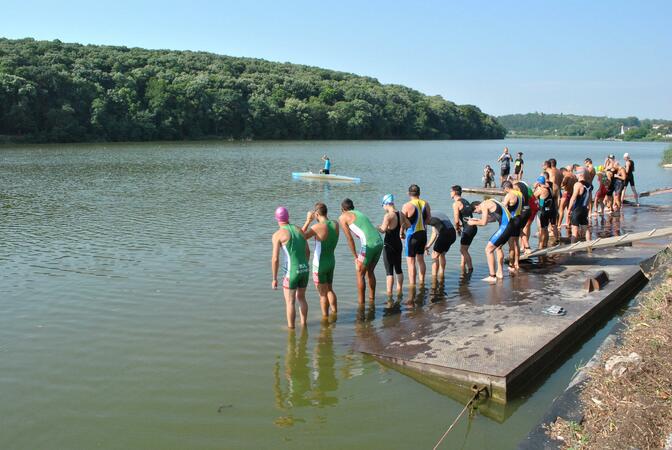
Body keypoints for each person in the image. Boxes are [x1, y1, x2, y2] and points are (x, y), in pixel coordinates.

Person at [271, 207, 310, 329]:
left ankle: (291, 329)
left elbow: (275, 259)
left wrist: (274, 278)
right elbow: (308, 251)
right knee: (302, 298)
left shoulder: (277, 235)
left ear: (277, 219)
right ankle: (304, 325)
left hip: (291, 272)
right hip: (305, 269)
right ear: (288, 217)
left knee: (290, 302)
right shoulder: (299, 230)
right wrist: (303, 265)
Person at [339, 198, 383, 304]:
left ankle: (361, 305)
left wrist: (355, 257)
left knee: (360, 273)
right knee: (370, 272)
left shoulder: (342, 217)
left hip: (368, 245)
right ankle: (372, 299)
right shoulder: (360, 213)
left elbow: (349, 238)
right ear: (352, 207)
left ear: (342, 209)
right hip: (379, 241)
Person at [302, 202, 339, 318]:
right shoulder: (335, 224)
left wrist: (308, 220)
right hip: (331, 262)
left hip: (320, 265)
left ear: (316, 214)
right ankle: (334, 313)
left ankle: (325, 319)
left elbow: (300, 236)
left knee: (322, 295)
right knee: (330, 289)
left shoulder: (317, 227)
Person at [468, 199, 512, 283]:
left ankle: (492, 276)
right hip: (510, 225)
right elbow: (493, 219)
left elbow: (484, 223)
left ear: (477, 206)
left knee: (488, 250)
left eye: (477, 212)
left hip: (505, 226)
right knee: (498, 247)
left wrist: (472, 223)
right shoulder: (491, 201)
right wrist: (477, 220)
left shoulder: (484, 205)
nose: (479, 213)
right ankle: (500, 272)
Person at [401, 184, 431, 287]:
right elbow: (428, 219)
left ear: (408, 193)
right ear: (419, 193)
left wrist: (401, 233)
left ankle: (412, 285)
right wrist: (422, 225)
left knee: (411, 262)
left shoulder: (407, 206)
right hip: (422, 234)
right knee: (421, 259)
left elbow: (402, 223)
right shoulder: (425, 203)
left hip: (411, 235)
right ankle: (422, 282)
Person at [378, 194, 407, 297]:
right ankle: (399, 290)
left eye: (383, 205)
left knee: (389, 271)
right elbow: (408, 224)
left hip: (389, 245)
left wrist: (376, 227)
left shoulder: (388, 215)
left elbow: (383, 230)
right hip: (398, 244)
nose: (383, 208)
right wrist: (402, 230)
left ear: (386, 204)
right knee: (398, 268)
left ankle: (389, 294)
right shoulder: (400, 214)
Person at [450, 185, 478, 274]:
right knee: (464, 249)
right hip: (473, 227)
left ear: (454, 192)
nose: (450, 193)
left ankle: (470, 269)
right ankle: (462, 267)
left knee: (463, 250)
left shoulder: (456, 203)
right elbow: (466, 216)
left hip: (468, 228)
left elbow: (456, 220)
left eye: (451, 191)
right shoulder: (465, 201)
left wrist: (457, 228)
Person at [425, 212, 457, 285]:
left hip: (445, 234)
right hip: (452, 234)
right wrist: (428, 246)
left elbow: (424, 231)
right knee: (442, 254)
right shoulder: (438, 216)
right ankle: (441, 274)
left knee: (434, 256)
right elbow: (434, 233)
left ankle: (434, 278)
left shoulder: (428, 218)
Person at [502, 181, 523, 274]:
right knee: (516, 243)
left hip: (512, 221)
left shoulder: (509, 195)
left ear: (506, 188)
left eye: (504, 189)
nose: (504, 191)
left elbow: (503, 207)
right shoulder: (519, 193)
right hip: (519, 219)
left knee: (511, 245)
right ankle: (517, 263)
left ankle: (511, 265)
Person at [567, 169, 591, 243]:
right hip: (584, 209)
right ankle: (589, 245)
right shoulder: (590, 185)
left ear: (580, 175)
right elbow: (589, 198)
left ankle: (572, 250)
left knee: (574, 230)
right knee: (586, 229)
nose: (576, 175)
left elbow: (573, 198)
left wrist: (569, 210)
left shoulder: (577, 184)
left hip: (577, 209)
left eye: (576, 174)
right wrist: (587, 207)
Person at [534, 176, 557, 249]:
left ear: (539, 183)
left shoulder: (541, 190)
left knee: (542, 230)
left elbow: (533, 196)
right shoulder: (549, 188)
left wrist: (535, 187)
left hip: (543, 211)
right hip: (551, 210)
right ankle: (545, 244)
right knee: (546, 228)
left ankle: (540, 246)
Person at [515, 180, 537, 255]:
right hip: (532, 207)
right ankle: (524, 245)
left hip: (532, 207)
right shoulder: (526, 188)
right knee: (526, 226)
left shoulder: (521, 189)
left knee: (526, 227)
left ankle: (523, 246)